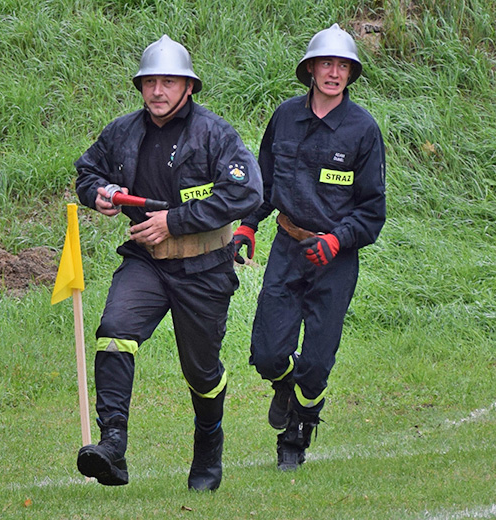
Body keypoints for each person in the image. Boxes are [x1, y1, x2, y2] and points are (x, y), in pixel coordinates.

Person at [74, 34, 263, 491]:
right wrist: (99, 193)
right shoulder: (122, 131)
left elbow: (246, 192)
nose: (157, 91)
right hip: (147, 262)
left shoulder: (215, 134)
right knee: (114, 332)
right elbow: (87, 171)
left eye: (168, 82)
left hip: (205, 268)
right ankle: (113, 445)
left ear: (188, 86)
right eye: (149, 82)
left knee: (201, 372)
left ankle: (209, 443)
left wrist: (174, 222)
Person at [232, 24, 386, 471]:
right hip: (288, 250)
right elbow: (263, 181)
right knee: (267, 354)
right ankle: (285, 387)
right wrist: (248, 225)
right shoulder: (284, 117)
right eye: (326, 64)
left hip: (334, 260)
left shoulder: (362, 130)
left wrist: (338, 239)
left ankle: (296, 434)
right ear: (311, 69)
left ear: (350, 74)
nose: (334, 73)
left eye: (343, 66)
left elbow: (372, 210)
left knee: (317, 364)